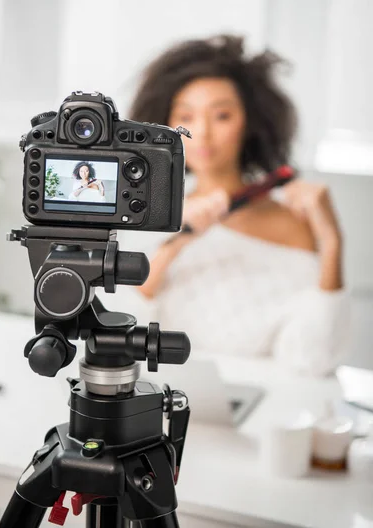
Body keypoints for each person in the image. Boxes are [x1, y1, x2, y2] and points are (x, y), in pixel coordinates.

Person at [129, 35, 350, 376]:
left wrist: (332, 243)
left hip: (266, 410)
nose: (200, 132)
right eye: (186, 115)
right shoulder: (146, 216)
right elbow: (124, 330)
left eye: (221, 115)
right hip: (168, 400)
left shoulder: (292, 221)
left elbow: (312, 360)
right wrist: (177, 243)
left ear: (250, 122)